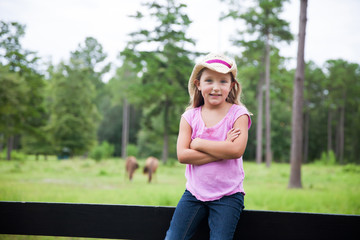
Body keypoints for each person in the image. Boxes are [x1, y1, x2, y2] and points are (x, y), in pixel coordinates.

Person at [165, 53, 252, 240]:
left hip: (228, 196)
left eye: (223, 81)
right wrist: (223, 148)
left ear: (232, 85)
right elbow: (183, 156)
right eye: (209, 81)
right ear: (198, 84)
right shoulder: (189, 117)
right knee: (173, 238)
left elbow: (236, 151)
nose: (216, 87)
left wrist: (198, 143)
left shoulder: (238, 114)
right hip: (193, 194)